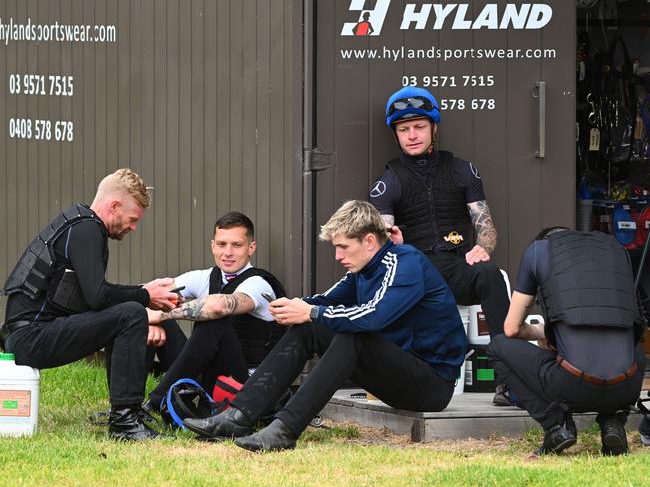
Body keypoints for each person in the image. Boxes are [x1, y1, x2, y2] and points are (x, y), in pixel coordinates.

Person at [177, 200, 467, 452]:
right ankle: (238, 416)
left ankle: (285, 430)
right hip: (396, 372)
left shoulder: (405, 263)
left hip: (432, 385)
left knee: (350, 335)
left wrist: (312, 311)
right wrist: (288, 307)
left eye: (343, 247)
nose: (338, 256)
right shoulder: (363, 269)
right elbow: (321, 301)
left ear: (368, 241)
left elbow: (375, 315)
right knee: (309, 325)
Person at [0, 168, 178, 441]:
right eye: (132, 219)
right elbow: (98, 297)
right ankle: (124, 422)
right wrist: (145, 295)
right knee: (130, 314)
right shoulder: (86, 231)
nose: (133, 227)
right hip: (30, 338)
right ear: (114, 205)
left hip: (28, 334)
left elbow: (94, 301)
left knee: (129, 314)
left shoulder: (79, 225)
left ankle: (127, 412)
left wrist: (146, 308)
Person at [369, 85, 511, 405]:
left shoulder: (462, 170)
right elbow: (377, 240)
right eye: (404, 129)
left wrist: (484, 247)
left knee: (490, 275)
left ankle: (509, 379)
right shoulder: (388, 181)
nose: (412, 135)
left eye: (419, 126)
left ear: (434, 127)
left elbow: (485, 226)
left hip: (457, 266)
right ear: (396, 134)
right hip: (418, 271)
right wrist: (393, 244)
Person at [488, 227, 646, 457]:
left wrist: (544, 333)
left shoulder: (538, 252)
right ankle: (614, 423)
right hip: (627, 385)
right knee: (632, 349)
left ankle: (557, 426)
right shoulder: (616, 251)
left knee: (498, 347)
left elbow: (511, 329)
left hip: (573, 385)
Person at [145, 212, 286, 413]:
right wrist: (152, 319)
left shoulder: (258, 284)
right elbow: (147, 293)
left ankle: (153, 403)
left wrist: (159, 315)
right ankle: (127, 405)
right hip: (208, 374)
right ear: (213, 246)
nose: (228, 252)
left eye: (237, 245)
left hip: (245, 383)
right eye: (222, 244)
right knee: (139, 318)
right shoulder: (203, 277)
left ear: (251, 248)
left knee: (214, 321)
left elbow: (219, 307)